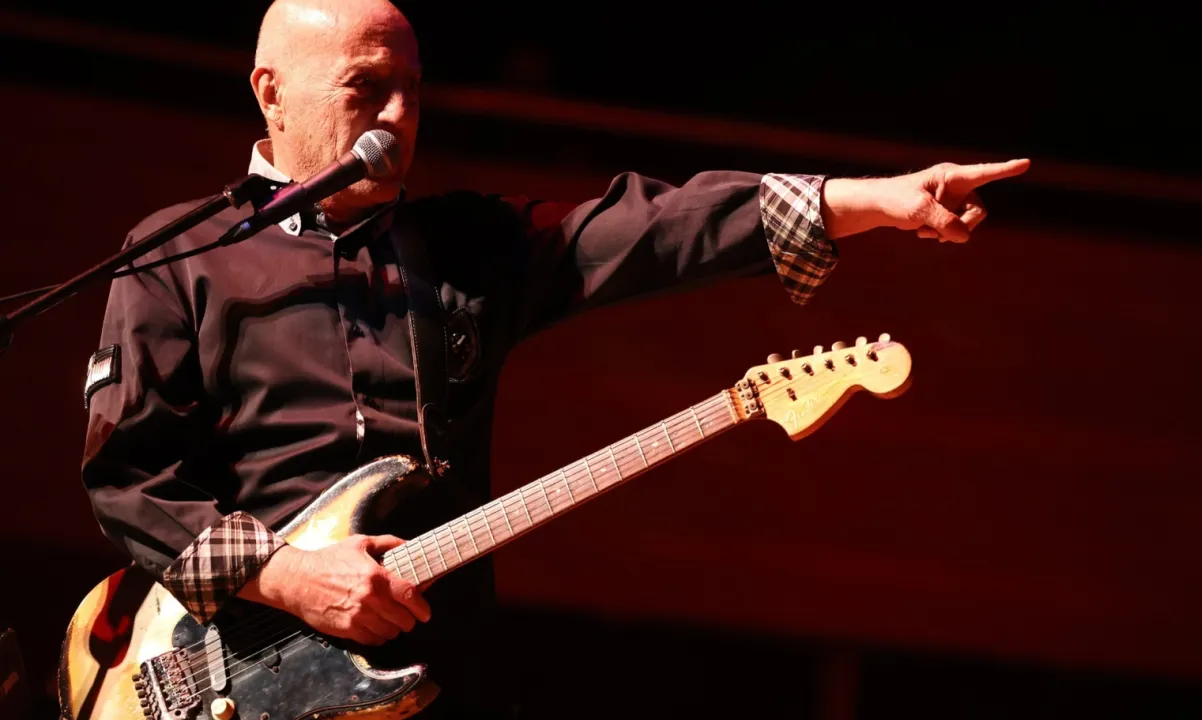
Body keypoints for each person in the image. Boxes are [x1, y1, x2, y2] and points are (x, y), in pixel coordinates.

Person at [79, 0, 1030, 716]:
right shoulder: (180, 255)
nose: (399, 117)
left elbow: (653, 230)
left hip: (432, 677)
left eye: (413, 91)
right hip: (234, 681)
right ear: (270, 91)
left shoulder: (461, 247)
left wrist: (870, 202)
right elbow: (129, 480)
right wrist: (288, 576)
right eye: (367, 88)